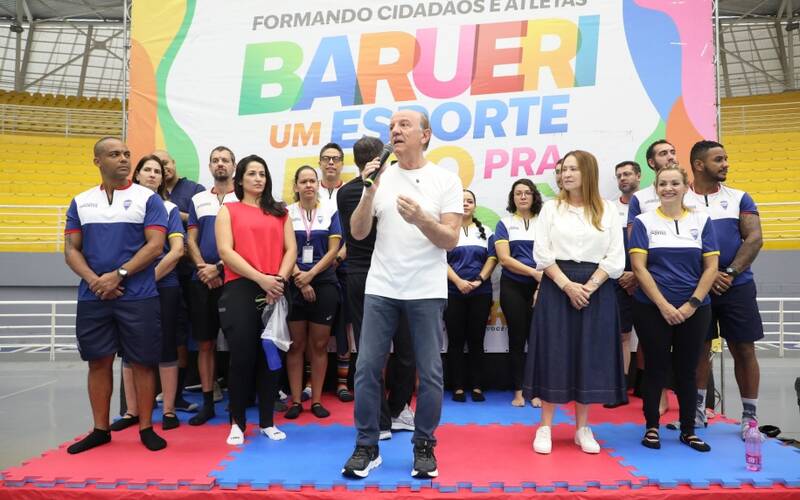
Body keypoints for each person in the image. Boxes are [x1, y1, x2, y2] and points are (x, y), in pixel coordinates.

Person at [341, 110, 462, 479]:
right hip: (382, 287)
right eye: (392, 126)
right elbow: (358, 233)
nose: (395, 130)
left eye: (404, 125)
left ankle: (424, 445)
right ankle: (367, 445)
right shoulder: (380, 176)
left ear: (425, 135)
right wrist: (368, 191)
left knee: (430, 372)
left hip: (426, 289)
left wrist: (422, 219)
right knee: (366, 368)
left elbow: (450, 239)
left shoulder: (445, 180)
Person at [64, 137, 168, 453]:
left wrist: (118, 275)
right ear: (98, 161)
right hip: (94, 296)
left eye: (126, 153)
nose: (123, 159)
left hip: (138, 295)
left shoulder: (148, 199)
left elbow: (155, 246)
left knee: (143, 362)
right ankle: (100, 429)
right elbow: (71, 249)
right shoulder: (81, 202)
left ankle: (146, 427)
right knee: (98, 362)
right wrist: (95, 281)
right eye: (114, 154)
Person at [524, 150, 625, 455]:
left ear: (588, 173)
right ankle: (545, 426)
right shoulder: (551, 209)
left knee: (588, 354)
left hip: (596, 288)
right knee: (554, 352)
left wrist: (588, 288)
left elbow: (615, 258)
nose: (566, 175)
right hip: (557, 285)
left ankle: (582, 427)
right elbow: (542, 253)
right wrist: (568, 286)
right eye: (563, 169)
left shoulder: (607, 210)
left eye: (573, 169)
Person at [630, 165, 718, 452]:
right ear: (656, 188)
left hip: (695, 310)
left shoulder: (702, 220)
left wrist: (692, 304)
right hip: (651, 308)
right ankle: (651, 427)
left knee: (687, 370)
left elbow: (711, 268)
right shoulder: (643, 222)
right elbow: (639, 269)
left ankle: (688, 430)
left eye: (674, 183)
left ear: (685, 186)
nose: (668, 188)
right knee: (655, 368)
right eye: (663, 184)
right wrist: (664, 305)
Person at [337, 136, 417, 440]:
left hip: (392, 272)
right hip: (368, 274)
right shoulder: (352, 191)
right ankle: (383, 417)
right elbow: (361, 233)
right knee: (374, 351)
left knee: (402, 347)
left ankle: (395, 412)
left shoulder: (393, 185)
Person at [215, 154, 296, 445]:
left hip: (276, 289)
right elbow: (226, 252)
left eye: (262, 173)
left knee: (271, 357)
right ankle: (237, 422)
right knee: (242, 357)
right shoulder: (229, 210)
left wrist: (279, 281)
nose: (258, 178)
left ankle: (267, 422)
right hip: (241, 288)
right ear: (240, 179)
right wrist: (261, 278)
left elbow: (291, 249)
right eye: (252, 173)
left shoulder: (280, 212)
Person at [686, 140, 764, 438]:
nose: (726, 164)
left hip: (737, 286)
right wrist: (708, 275)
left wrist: (729, 272)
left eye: (726, 158)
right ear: (699, 165)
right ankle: (696, 413)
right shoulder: (681, 200)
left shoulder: (739, 198)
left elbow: (754, 238)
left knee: (744, 349)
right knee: (698, 350)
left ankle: (750, 417)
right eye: (718, 159)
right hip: (697, 288)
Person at [112, 155, 185, 433]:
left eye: (158, 171)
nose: (153, 174)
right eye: (148, 170)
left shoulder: (169, 209)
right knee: (129, 349)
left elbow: (177, 251)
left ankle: (168, 410)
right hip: (129, 286)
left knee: (166, 346)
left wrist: (148, 278)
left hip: (163, 286)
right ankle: (132, 411)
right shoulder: (123, 207)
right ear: (137, 175)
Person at [284, 166, 342, 419]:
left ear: (318, 185)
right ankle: (296, 401)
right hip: (294, 282)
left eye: (312, 181)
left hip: (324, 282)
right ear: (296, 186)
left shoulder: (330, 211)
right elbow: (283, 248)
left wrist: (311, 275)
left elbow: (333, 250)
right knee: (296, 345)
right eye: (303, 181)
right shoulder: (286, 213)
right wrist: (300, 278)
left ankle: (316, 401)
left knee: (319, 345)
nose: (308, 185)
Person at [186, 146, 238, 425]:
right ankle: (208, 403)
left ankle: (240, 401)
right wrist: (203, 269)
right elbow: (190, 239)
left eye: (225, 160)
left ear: (234, 166)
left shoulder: (243, 198)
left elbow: (244, 242)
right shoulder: (198, 199)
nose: (220, 164)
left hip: (234, 280)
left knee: (240, 343)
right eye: (215, 160)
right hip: (202, 281)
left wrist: (219, 267)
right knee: (205, 343)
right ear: (209, 167)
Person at [152, 149, 204, 413]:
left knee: (183, 336)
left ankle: (179, 394)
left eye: (165, 163)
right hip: (150, 278)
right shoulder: (140, 199)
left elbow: (201, 221)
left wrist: (173, 212)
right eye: (155, 166)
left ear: (173, 164)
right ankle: (147, 397)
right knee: (147, 336)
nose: (162, 169)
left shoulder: (193, 190)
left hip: (185, 275)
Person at [446, 189, 497, 402]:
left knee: (477, 340)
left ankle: (477, 386)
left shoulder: (486, 231)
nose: (465, 204)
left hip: (480, 292)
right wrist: (458, 282)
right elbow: (439, 260)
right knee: (455, 341)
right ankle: (457, 387)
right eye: (461, 201)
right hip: (452, 291)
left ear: (475, 206)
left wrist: (479, 280)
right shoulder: (446, 231)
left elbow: (493, 258)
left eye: (469, 201)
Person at [495, 180, 543, 407]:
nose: (523, 197)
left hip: (541, 287)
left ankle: (536, 391)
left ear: (534, 196)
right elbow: (504, 259)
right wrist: (533, 273)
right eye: (518, 193)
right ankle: (519, 391)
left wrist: (540, 283)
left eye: (527, 193)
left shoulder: (544, 222)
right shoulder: (504, 223)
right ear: (512, 198)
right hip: (512, 286)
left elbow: (551, 256)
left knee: (537, 340)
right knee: (517, 338)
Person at [317, 142, 354, 403]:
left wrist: (340, 256)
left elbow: (358, 231)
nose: (331, 163)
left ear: (342, 164)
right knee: (314, 330)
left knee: (345, 328)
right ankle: (311, 383)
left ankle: (342, 382)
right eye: (326, 158)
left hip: (345, 267)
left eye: (336, 158)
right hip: (315, 270)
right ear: (320, 163)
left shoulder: (351, 192)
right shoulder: (310, 188)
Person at [604, 161, 642, 408]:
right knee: (621, 335)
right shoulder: (609, 209)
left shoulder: (650, 204)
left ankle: (648, 386)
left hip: (646, 278)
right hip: (618, 280)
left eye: (627, 174)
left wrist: (637, 275)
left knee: (651, 335)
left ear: (638, 176)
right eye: (619, 176)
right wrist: (622, 275)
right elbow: (607, 246)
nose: (623, 178)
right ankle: (621, 387)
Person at [627, 140, 677, 224]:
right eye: (663, 154)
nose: (671, 157)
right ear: (652, 162)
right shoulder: (639, 197)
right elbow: (633, 231)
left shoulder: (689, 193)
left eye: (673, 152)